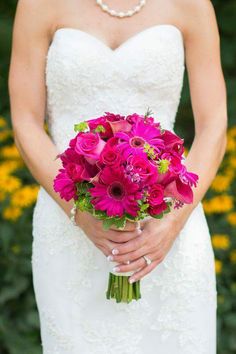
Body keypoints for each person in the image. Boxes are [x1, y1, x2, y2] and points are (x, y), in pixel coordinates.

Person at [8, 0, 227, 353]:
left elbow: (214, 123)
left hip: (167, 220)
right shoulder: (37, 5)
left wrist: (171, 222)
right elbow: (25, 121)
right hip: (67, 223)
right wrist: (78, 213)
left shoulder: (193, 4)